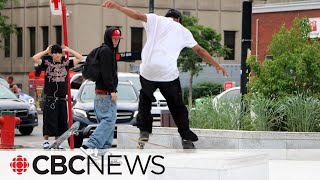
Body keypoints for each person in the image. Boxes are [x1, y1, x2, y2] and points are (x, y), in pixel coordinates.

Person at [102, 1, 229, 149]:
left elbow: (136, 15)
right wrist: (217, 65)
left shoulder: (155, 19)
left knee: (145, 100)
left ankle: (144, 131)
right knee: (177, 106)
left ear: (166, 17)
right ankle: (186, 137)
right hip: (167, 74)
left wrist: (117, 7)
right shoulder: (183, 31)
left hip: (148, 70)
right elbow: (200, 51)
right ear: (179, 20)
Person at [32, 44, 83, 149]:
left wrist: (69, 49)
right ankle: (45, 141)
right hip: (50, 98)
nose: (57, 55)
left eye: (59, 53)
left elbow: (80, 57)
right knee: (48, 120)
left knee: (61, 121)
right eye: (55, 53)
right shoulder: (47, 63)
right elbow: (35, 58)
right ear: (52, 54)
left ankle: (57, 142)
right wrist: (46, 51)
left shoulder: (66, 63)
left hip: (61, 98)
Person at [80, 27, 122, 154]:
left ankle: (103, 150)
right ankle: (90, 145)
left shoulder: (105, 50)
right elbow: (106, 73)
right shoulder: (107, 51)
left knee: (108, 122)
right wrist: (113, 90)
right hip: (105, 93)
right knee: (109, 120)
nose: (116, 41)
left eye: (118, 39)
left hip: (101, 93)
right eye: (114, 38)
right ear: (109, 37)